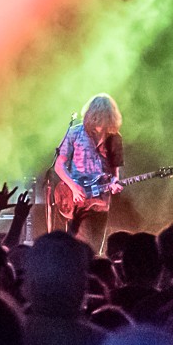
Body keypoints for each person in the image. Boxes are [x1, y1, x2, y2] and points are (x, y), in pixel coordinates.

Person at [54, 93, 125, 250]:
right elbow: (59, 165)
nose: (101, 126)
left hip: (102, 201)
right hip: (78, 200)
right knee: (80, 247)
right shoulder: (75, 132)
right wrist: (73, 187)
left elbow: (115, 172)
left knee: (96, 248)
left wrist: (115, 183)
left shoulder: (115, 138)